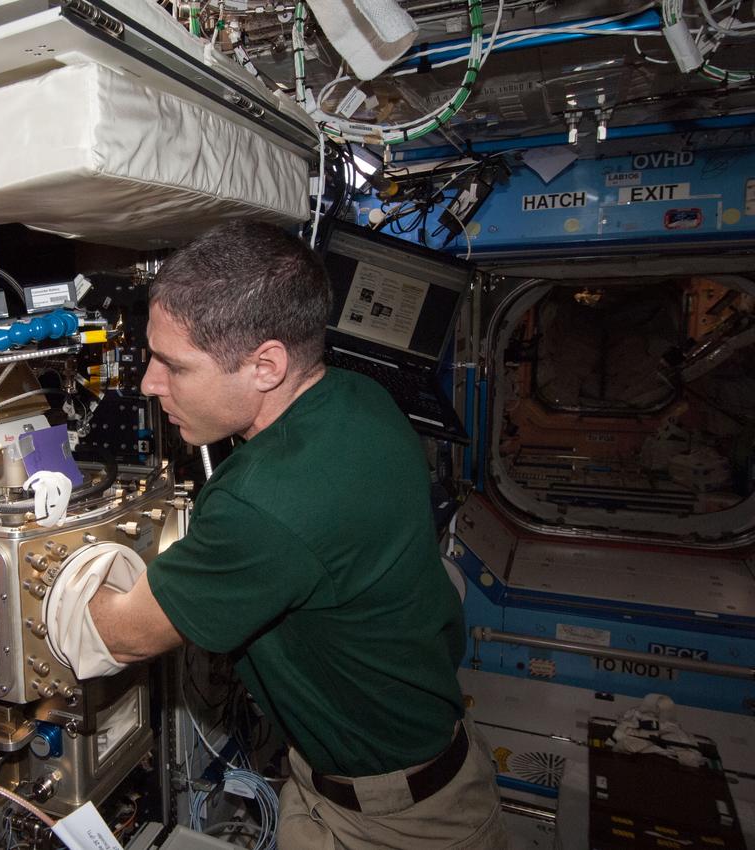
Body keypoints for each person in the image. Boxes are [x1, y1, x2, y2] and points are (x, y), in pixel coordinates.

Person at [87, 219, 506, 849]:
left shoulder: (266, 502)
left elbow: (118, 635)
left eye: (172, 364)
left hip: (396, 826)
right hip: (358, 778)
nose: (149, 382)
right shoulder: (359, 398)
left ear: (266, 365)